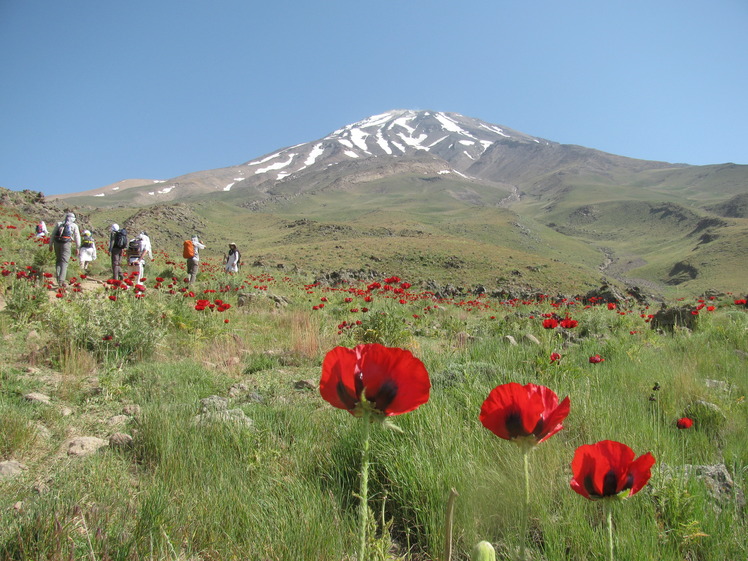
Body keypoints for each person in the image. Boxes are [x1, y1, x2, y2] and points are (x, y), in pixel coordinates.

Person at [49, 212, 81, 287]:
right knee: (64, 261)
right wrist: (77, 247)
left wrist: (50, 245)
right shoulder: (74, 226)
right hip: (66, 244)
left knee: (58, 260)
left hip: (56, 243)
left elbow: (53, 234)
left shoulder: (59, 224)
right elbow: (77, 237)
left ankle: (58, 277)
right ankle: (61, 280)